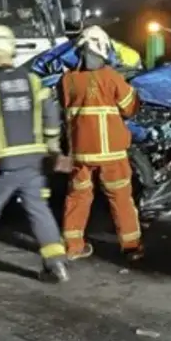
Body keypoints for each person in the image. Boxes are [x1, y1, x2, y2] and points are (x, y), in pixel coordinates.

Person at [0, 23, 69, 282]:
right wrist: (52, 146)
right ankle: (56, 264)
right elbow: (51, 114)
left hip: (6, 162)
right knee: (38, 209)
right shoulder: (33, 81)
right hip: (34, 160)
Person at [60, 24, 143, 262]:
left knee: (78, 197)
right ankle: (131, 247)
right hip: (112, 154)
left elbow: (65, 108)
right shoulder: (111, 77)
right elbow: (130, 108)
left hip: (81, 154)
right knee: (120, 198)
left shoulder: (67, 80)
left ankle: (73, 246)